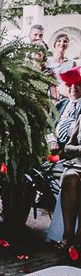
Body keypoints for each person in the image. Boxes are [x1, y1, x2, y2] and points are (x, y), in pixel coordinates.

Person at [54, 67, 81, 250]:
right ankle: (68, 234)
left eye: (77, 85)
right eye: (69, 85)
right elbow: (50, 126)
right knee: (69, 177)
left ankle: (78, 238)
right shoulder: (61, 105)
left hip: (70, 157)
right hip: (63, 155)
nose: (73, 88)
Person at [49, 33, 77, 99]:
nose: (62, 44)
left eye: (65, 41)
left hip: (66, 97)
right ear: (54, 44)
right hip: (51, 96)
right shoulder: (48, 61)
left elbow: (74, 83)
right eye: (59, 41)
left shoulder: (72, 63)